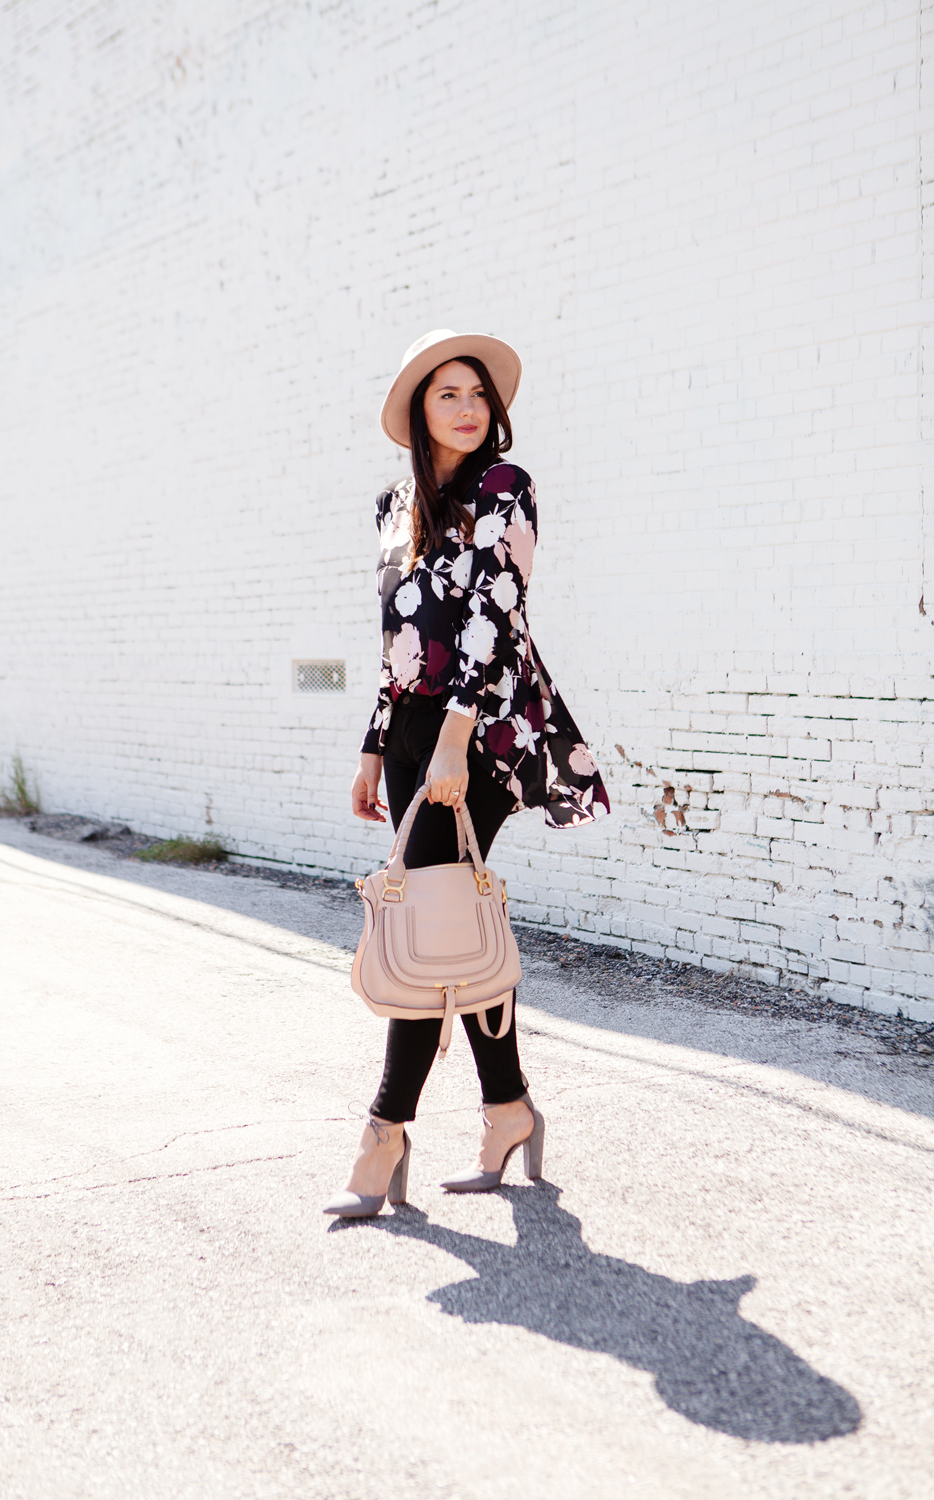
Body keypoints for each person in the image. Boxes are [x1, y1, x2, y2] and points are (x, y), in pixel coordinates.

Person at [323, 329, 609, 1218]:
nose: (467, 406)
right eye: (447, 393)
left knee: (431, 915)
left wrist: (454, 734)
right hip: (411, 732)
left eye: (478, 393)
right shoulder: (393, 503)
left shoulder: (503, 490)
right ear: (419, 410)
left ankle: (382, 1137)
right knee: (448, 919)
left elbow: (497, 614)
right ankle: (509, 1110)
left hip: (475, 737)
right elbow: (392, 641)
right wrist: (377, 744)